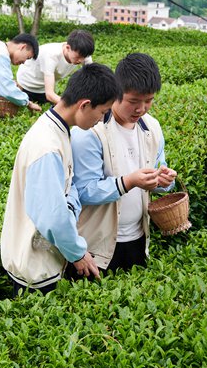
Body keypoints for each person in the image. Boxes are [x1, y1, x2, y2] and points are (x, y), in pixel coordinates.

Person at [0, 63, 123, 295]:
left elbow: (68, 187)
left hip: (39, 258)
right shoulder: (47, 146)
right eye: (103, 111)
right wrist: (78, 253)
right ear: (85, 104)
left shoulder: (57, 129)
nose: (103, 119)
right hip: (35, 268)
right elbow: (53, 218)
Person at [71, 53, 177, 274]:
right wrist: (129, 182)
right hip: (96, 247)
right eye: (133, 101)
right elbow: (83, 191)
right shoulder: (91, 132)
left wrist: (163, 181)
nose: (141, 109)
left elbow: (159, 174)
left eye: (148, 101)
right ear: (116, 94)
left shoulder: (152, 128)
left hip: (138, 239)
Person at [16, 29, 94, 105]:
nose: (81, 60)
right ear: (68, 48)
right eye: (78, 57)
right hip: (26, 85)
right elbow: (49, 94)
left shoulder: (83, 53)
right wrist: (73, 106)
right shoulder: (51, 55)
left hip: (43, 88)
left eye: (84, 57)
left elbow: (92, 79)